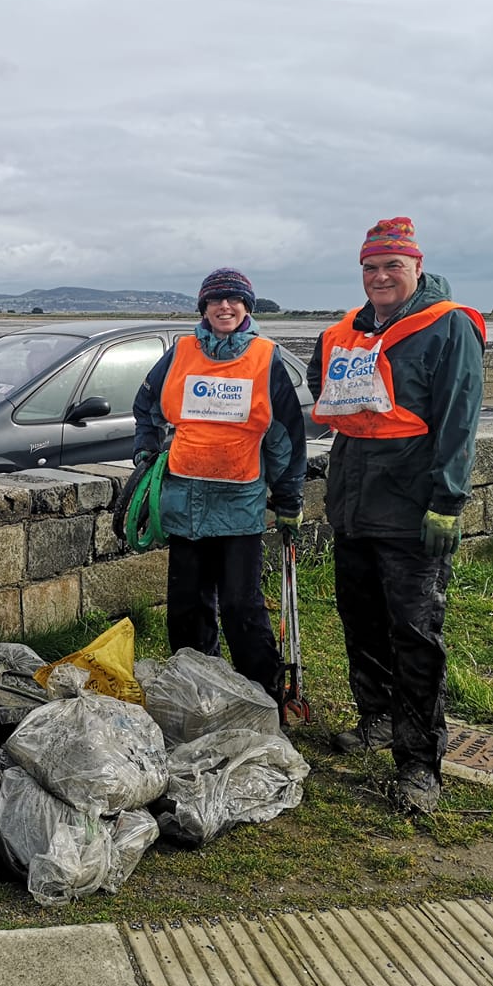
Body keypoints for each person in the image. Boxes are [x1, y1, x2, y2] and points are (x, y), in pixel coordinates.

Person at [306, 217, 485, 814]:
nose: (380, 277)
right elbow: (321, 390)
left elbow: (460, 419)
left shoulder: (448, 327)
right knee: (361, 622)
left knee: (414, 635)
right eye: (370, 268)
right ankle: (376, 719)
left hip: (413, 508)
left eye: (392, 267)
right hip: (354, 505)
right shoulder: (345, 333)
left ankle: (418, 764)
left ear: (416, 267)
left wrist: (447, 500)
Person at [132, 268, 307, 702]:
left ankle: (264, 697)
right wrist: (147, 454)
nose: (224, 307)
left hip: (239, 504)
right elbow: (146, 406)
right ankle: (194, 694)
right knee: (187, 607)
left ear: (247, 307)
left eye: (233, 299)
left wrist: (288, 498)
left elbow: (286, 436)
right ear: (203, 307)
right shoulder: (181, 352)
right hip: (183, 501)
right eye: (215, 300)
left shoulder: (266, 357)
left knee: (240, 606)